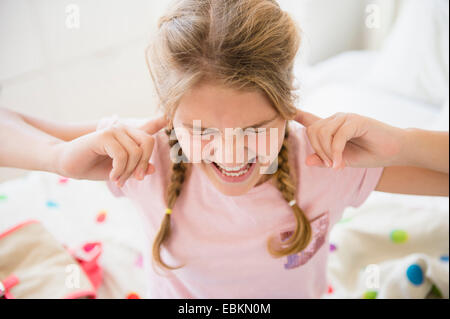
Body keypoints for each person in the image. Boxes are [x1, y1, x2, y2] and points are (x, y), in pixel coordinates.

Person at [0, 0, 448, 298]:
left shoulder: (324, 163)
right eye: (201, 130)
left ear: (289, 107)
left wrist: (403, 142)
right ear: (166, 115)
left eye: (255, 128)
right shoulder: (144, 157)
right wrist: (55, 158)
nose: (231, 156)